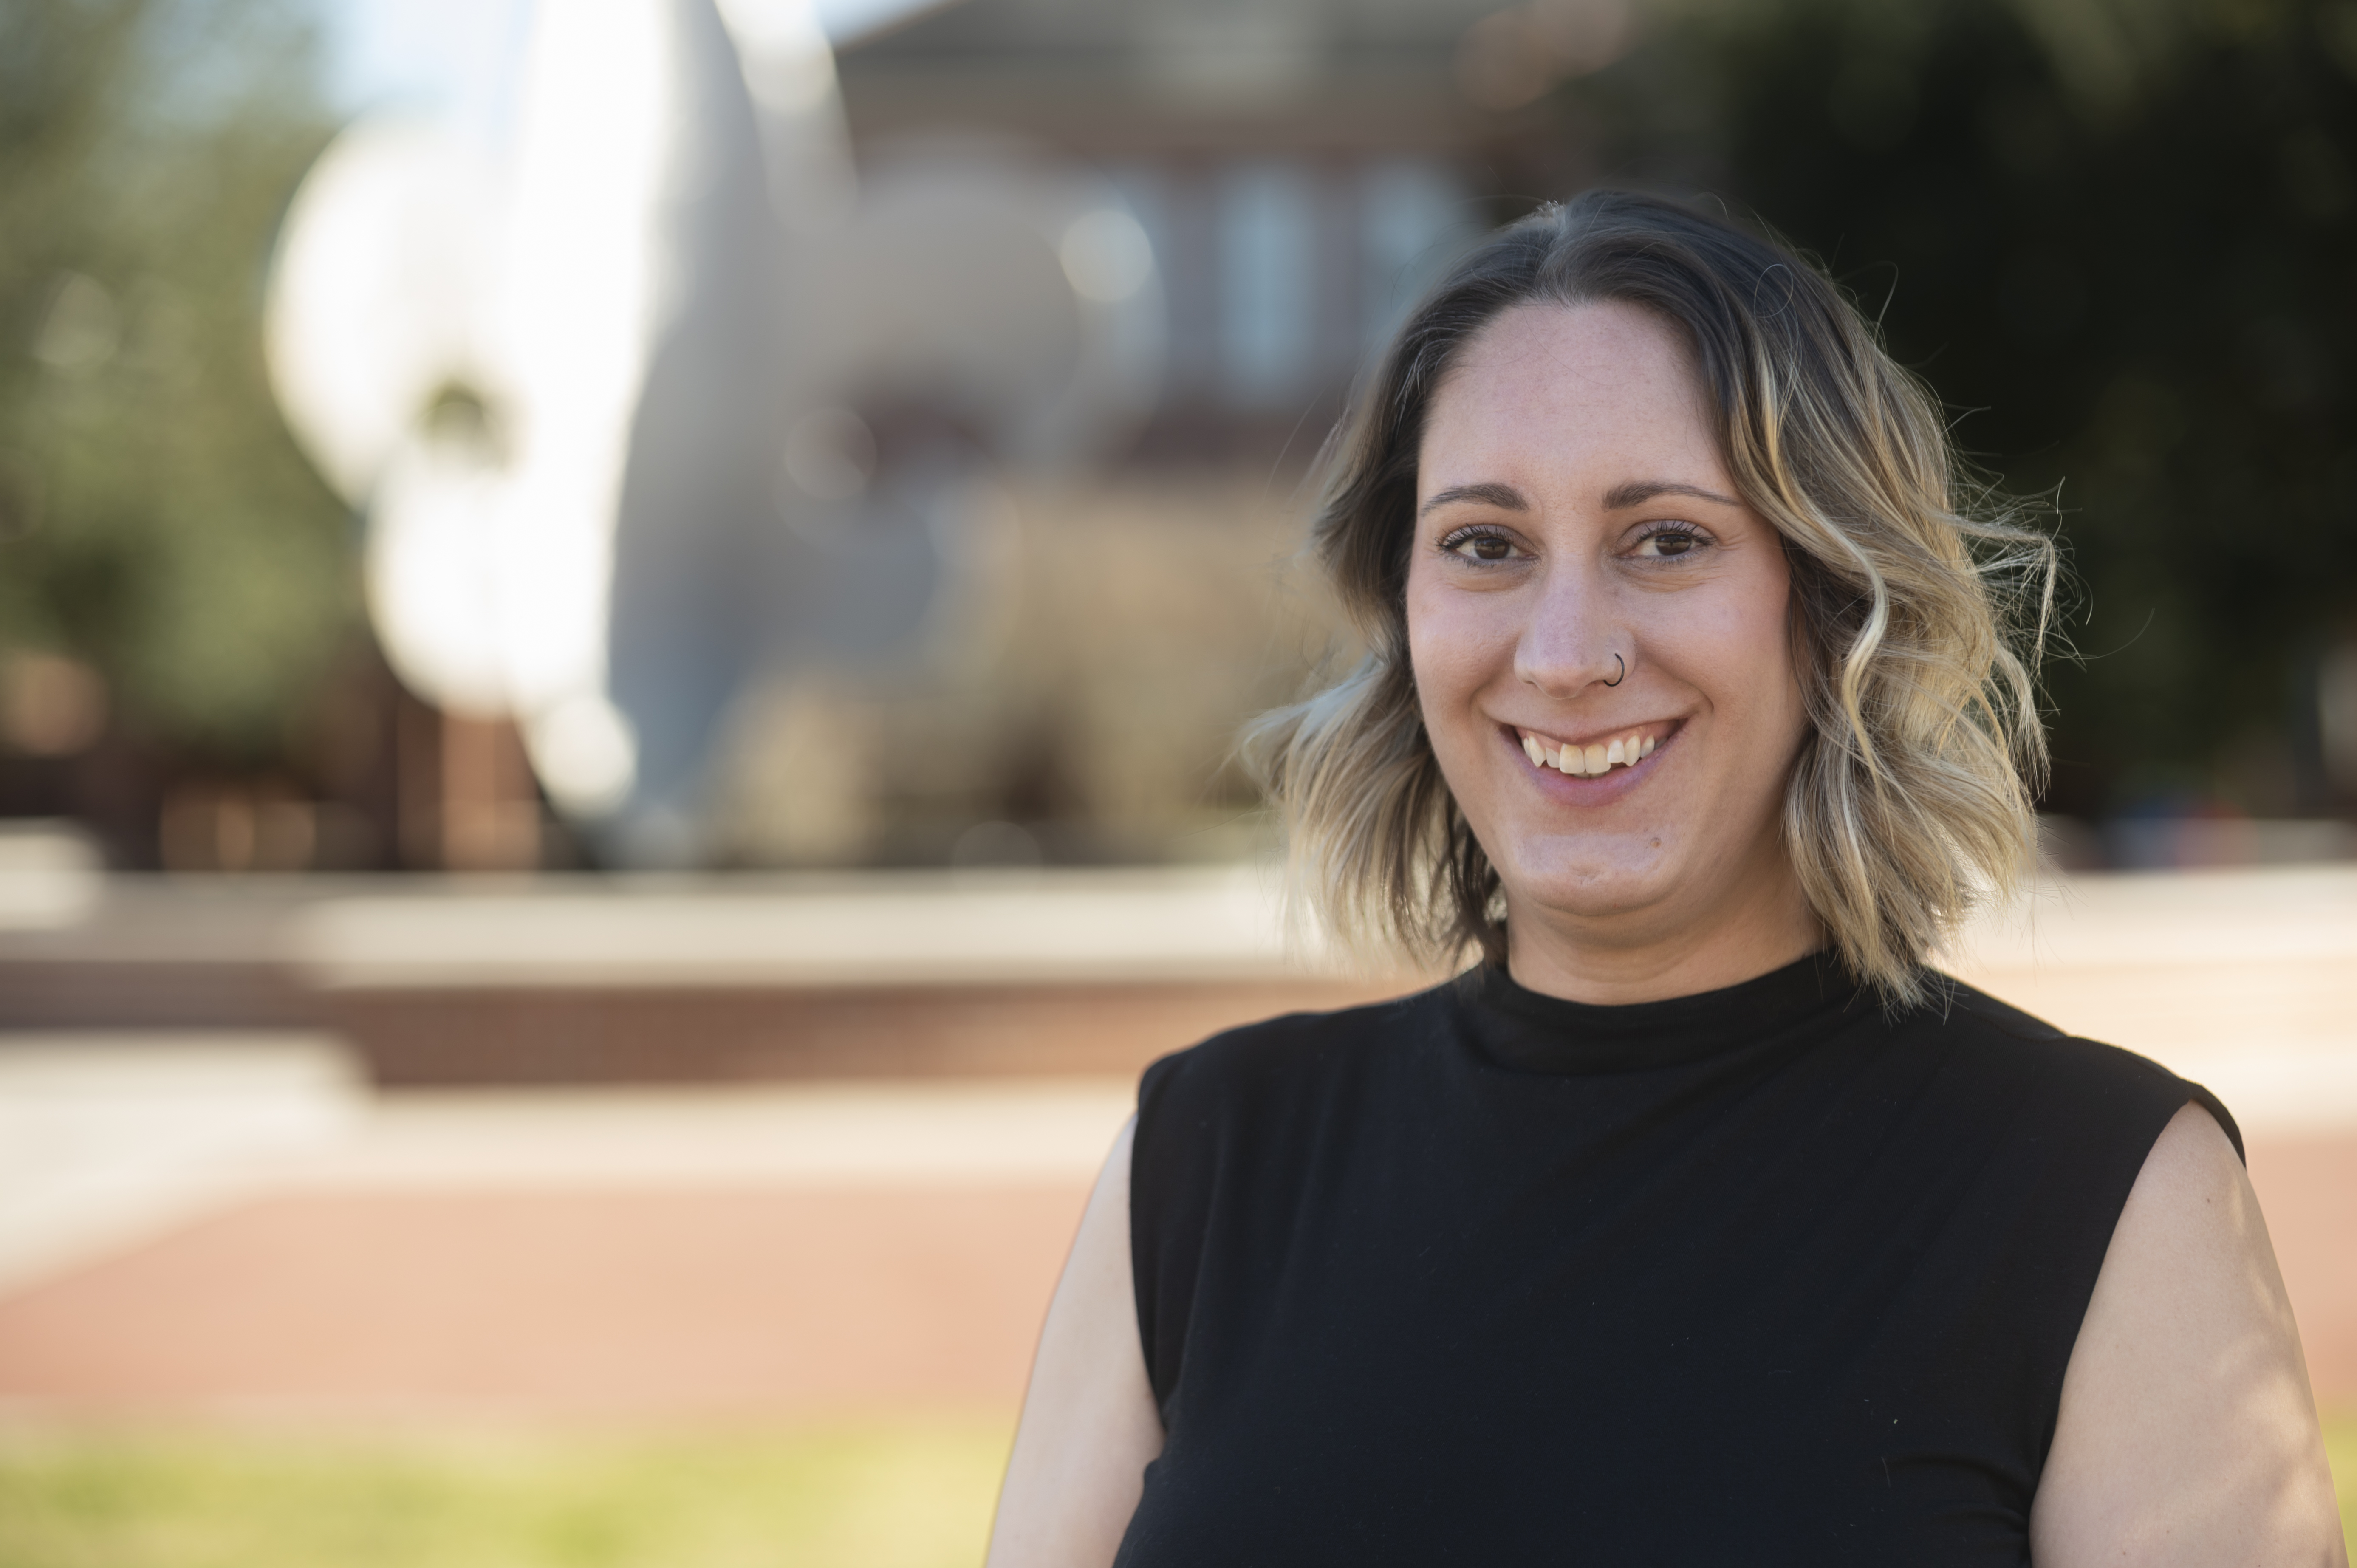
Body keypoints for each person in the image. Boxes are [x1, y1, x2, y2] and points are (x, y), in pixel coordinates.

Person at [985, 190, 2346, 1566]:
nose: (1566, 651)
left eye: (1667, 540)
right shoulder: (1206, 1160)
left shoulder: (2107, 1193)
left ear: (1829, 603)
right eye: (1484, 544)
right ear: (1401, 610)